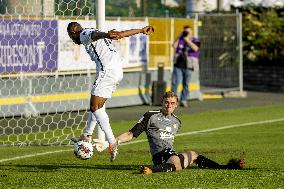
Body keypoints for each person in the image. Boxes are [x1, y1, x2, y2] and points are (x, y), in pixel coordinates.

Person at [67, 22, 154, 161]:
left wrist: (106, 34)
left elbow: (93, 35)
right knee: (97, 107)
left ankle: (112, 142)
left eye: (71, 37)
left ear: (73, 33)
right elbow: (120, 34)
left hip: (107, 71)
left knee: (95, 107)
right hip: (117, 71)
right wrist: (142, 30)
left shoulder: (83, 34)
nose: (73, 40)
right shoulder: (94, 32)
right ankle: (87, 135)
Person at [114, 91, 245, 174]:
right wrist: (116, 141)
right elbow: (131, 133)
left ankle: (224, 167)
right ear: (162, 103)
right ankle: (151, 170)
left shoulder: (177, 121)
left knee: (193, 155)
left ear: (176, 105)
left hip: (171, 154)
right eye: (166, 102)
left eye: (172, 103)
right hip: (160, 156)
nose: (169, 105)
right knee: (176, 163)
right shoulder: (150, 116)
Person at [171, 26, 200, 107]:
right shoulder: (180, 39)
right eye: (185, 32)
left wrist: (187, 40)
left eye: (188, 32)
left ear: (192, 33)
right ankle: (172, 101)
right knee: (175, 83)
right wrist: (179, 35)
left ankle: (183, 100)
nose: (186, 33)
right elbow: (174, 46)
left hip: (189, 65)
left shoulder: (195, 40)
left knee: (186, 84)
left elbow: (195, 48)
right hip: (178, 64)